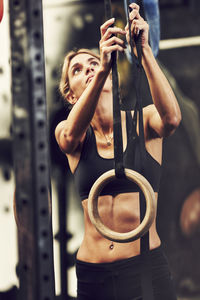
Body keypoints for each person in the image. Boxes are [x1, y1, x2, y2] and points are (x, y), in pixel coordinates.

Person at [55, 3, 181, 300]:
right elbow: (70, 135)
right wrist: (101, 69)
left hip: (145, 268)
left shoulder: (145, 119)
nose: (88, 70)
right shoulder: (69, 134)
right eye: (78, 70)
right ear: (71, 95)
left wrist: (143, 52)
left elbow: (173, 119)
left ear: (114, 78)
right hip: (94, 275)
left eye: (92, 64)